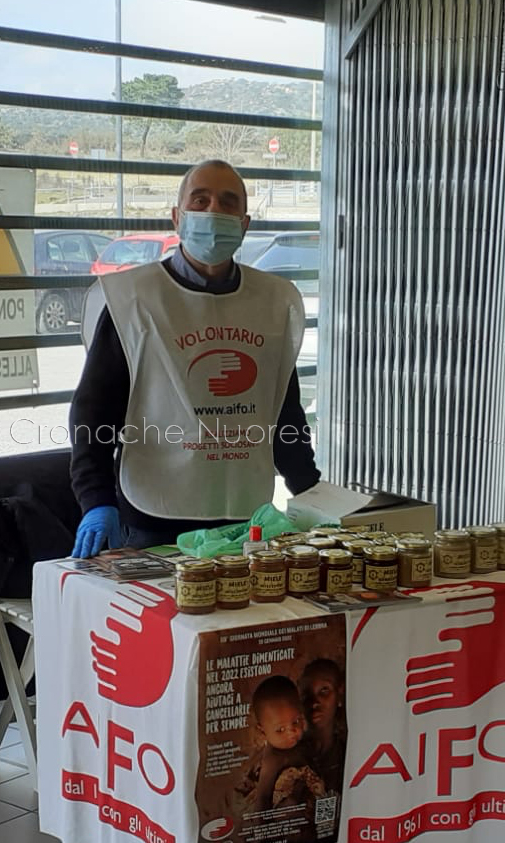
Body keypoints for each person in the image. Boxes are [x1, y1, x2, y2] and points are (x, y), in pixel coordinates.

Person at [69, 159, 319, 555]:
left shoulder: (272, 301)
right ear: (177, 217)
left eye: (227, 202)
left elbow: (282, 410)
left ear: (245, 223)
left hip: (245, 519)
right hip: (155, 517)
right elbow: (93, 410)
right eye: (200, 200)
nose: (212, 211)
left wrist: (310, 487)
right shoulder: (134, 299)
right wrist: (95, 499)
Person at [234, 675, 322, 813]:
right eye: (280, 730)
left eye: (296, 722)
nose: (292, 732)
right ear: (263, 731)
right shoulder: (272, 760)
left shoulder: (303, 738)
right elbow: (263, 798)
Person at [299, 658, 347, 795]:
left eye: (324, 690)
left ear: (339, 694)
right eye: (306, 694)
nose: (314, 702)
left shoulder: (350, 754)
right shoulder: (289, 755)